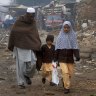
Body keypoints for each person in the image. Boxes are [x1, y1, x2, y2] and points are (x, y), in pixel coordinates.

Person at [8, 7, 41, 88]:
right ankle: (21, 83)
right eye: (30, 15)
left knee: (33, 63)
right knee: (20, 66)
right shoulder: (19, 21)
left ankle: (27, 75)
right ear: (27, 14)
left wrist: (37, 44)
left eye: (33, 15)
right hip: (20, 46)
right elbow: (14, 31)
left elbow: (35, 34)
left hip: (30, 46)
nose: (32, 17)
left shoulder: (33, 22)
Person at [55, 21, 80, 94]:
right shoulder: (60, 37)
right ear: (63, 28)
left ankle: (64, 80)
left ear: (70, 28)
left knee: (70, 73)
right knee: (65, 72)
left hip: (70, 59)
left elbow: (75, 47)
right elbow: (57, 48)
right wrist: (55, 58)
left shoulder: (73, 36)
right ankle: (67, 87)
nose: (66, 29)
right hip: (61, 58)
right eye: (65, 28)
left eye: (67, 28)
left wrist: (77, 56)